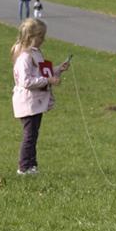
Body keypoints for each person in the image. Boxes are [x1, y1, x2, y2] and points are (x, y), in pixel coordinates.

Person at [11, 18, 70, 175]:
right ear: (31, 36)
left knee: (34, 133)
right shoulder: (24, 56)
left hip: (35, 101)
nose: (43, 40)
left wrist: (58, 69)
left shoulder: (35, 53)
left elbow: (43, 72)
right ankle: (24, 167)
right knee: (29, 135)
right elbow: (26, 81)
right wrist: (48, 80)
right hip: (27, 102)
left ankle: (32, 165)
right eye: (40, 37)